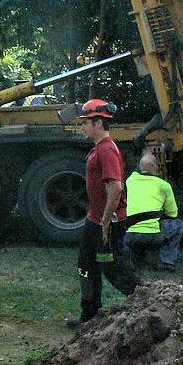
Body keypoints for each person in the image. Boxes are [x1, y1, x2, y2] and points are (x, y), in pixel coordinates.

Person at [68, 99, 140, 328]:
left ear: (98, 123)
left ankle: (148, 303)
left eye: (86, 122)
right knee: (85, 266)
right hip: (95, 221)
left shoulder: (107, 150)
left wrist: (106, 222)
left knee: (113, 269)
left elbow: (116, 188)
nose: (83, 127)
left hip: (107, 223)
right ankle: (89, 317)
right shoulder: (99, 149)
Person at [123, 152, 183, 271]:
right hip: (154, 237)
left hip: (130, 235)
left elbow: (139, 168)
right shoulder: (164, 185)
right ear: (155, 167)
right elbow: (173, 214)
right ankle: (167, 261)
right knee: (178, 225)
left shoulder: (130, 180)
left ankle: (132, 258)